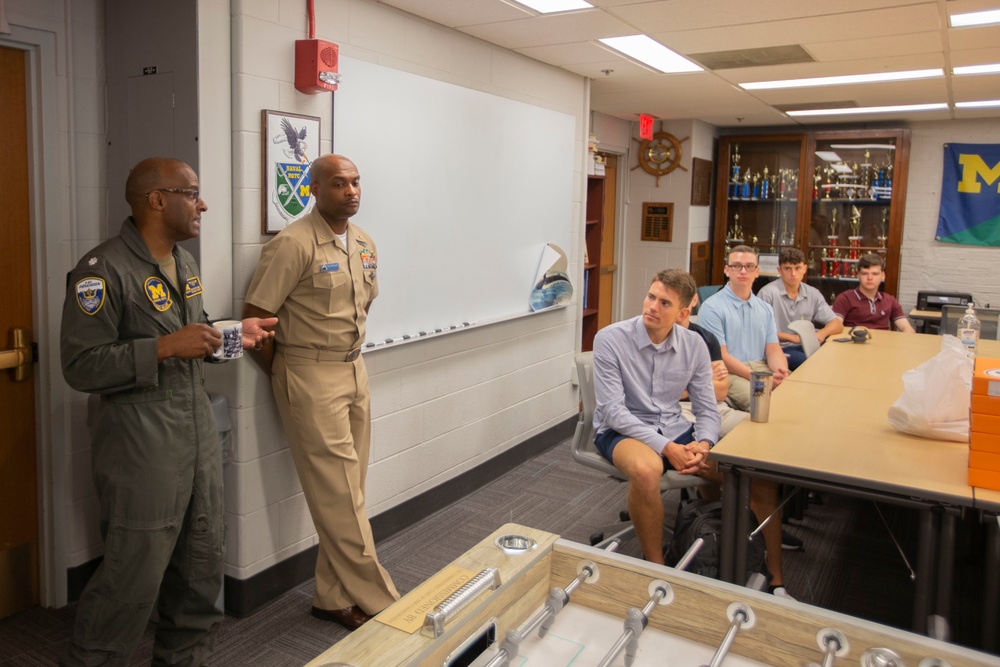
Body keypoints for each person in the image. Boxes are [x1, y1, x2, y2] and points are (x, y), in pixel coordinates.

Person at [59, 157, 276, 666]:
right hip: (141, 443)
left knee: (200, 576)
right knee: (129, 582)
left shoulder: (185, 263)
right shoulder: (101, 271)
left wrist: (232, 337)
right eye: (192, 192)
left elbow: (190, 335)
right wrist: (161, 348)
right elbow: (79, 366)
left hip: (196, 433)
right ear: (157, 200)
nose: (202, 203)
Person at [243, 154, 399, 631]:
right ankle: (383, 599)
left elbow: (364, 302)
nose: (351, 191)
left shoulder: (364, 243)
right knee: (340, 496)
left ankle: (332, 597)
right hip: (309, 376)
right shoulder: (293, 244)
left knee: (348, 493)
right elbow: (257, 318)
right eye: (339, 184)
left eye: (356, 182)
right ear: (314, 189)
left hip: (354, 372)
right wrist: (289, 376)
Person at [592, 269, 721, 566]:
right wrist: (667, 448)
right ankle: (656, 568)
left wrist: (704, 443)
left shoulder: (694, 345)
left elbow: (706, 408)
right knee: (647, 470)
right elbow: (614, 412)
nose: (652, 306)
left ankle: (709, 540)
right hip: (621, 429)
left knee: (731, 467)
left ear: (683, 312)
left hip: (675, 427)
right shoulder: (610, 339)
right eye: (651, 297)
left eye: (665, 303)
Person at [697, 245, 790, 412]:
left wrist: (781, 372)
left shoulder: (765, 308)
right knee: (766, 404)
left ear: (757, 271)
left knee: (793, 396)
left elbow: (773, 349)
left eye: (749, 266)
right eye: (736, 266)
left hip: (762, 368)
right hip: (730, 372)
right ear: (727, 270)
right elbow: (722, 356)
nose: (743, 271)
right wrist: (758, 378)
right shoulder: (712, 307)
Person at [758, 248, 844, 370]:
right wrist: (792, 338)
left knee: (835, 359)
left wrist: (821, 334)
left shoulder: (812, 293)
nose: (793, 274)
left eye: (797, 268)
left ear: (804, 268)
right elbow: (759, 332)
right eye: (788, 268)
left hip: (807, 345)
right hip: (779, 348)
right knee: (815, 365)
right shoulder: (767, 293)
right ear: (779, 270)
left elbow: (837, 324)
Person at [831, 253, 915, 332]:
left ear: (883, 276)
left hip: (883, 345)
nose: (870, 278)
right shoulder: (845, 298)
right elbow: (835, 327)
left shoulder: (890, 301)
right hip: (854, 344)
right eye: (865, 273)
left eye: (875, 274)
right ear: (858, 275)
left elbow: (907, 329)